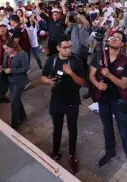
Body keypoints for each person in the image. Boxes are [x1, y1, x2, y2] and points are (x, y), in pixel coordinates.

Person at [89, 31, 127, 173]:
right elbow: (92, 74)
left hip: (119, 100)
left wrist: (108, 75)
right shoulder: (99, 55)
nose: (115, 39)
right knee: (107, 127)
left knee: (124, 129)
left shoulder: (126, 61)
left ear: (122, 44)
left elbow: (124, 84)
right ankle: (109, 151)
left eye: (119, 38)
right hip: (103, 98)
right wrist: (97, 84)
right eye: (113, 37)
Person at [40, 34, 86, 174]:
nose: (68, 50)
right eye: (65, 47)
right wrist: (49, 81)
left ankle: (72, 155)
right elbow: (43, 76)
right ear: (58, 48)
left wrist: (71, 73)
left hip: (72, 101)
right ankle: (56, 152)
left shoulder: (76, 61)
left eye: (70, 47)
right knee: (57, 128)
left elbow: (83, 83)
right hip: (57, 100)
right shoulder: (52, 60)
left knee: (72, 129)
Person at [0, 39, 29, 130]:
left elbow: (26, 68)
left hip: (19, 81)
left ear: (13, 47)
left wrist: (12, 70)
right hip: (10, 80)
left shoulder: (22, 54)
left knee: (14, 102)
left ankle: (14, 124)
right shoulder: (6, 54)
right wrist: (2, 68)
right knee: (17, 99)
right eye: (5, 49)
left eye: (7, 49)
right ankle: (22, 116)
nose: (5, 51)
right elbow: (6, 66)